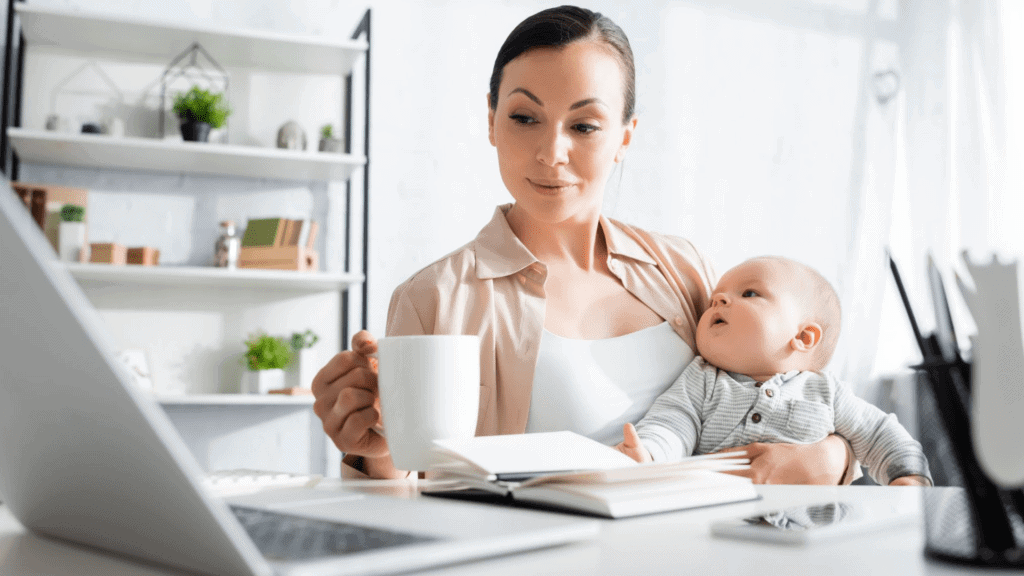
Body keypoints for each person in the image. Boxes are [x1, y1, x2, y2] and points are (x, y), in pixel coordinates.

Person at [312, 5, 856, 483]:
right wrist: (372, 455)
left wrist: (834, 457)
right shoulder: (434, 297)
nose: (552, 152)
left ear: (625, 136)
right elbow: (408, 493)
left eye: (586, 126)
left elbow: (793, 392)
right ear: (491, 122)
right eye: (525, 117)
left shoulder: (684, 269)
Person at [615, 256, 932, 486]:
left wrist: (909, 477)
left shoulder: (826, 392)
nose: (719, 299)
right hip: (717, 526)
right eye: (714, 299)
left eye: (749, 293)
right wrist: (650, 455)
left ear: (803, 337)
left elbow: (878, 433)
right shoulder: (701, 379)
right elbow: (672, 423)